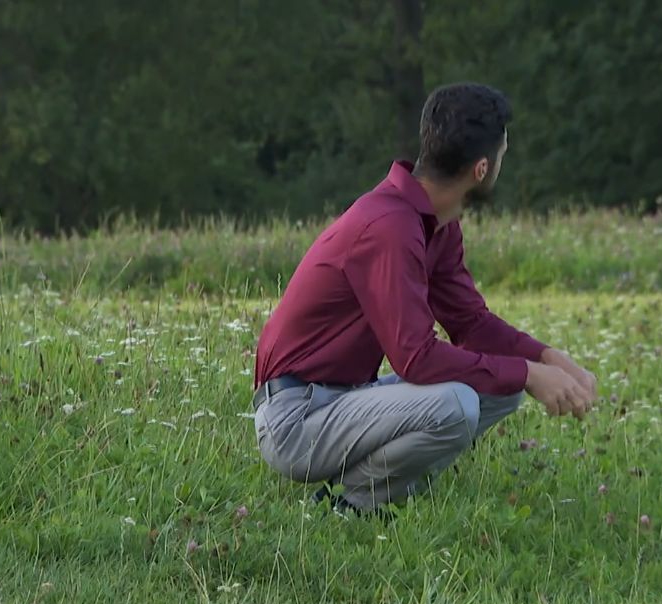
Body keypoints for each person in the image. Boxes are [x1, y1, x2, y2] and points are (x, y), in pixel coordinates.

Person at [251, 82, 597, 515]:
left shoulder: (435, 221)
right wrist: (528, 373)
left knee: (501, 388)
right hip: (296, 420)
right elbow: (415, 359)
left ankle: (391, 483)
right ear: (482, 168)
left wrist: (547, 359)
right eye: (504, 154)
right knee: (458, 403)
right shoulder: (389, 226)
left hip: (344, 399)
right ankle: (355, 501)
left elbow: (472, 324)